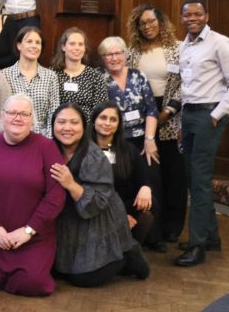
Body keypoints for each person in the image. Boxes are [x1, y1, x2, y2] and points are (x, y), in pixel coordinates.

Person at [0, 94, 65, 296]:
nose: (17, 118)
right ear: (2, 116)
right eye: (12, 112)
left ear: (32, 119)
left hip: (33, 236)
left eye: (24, 114)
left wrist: (29, 230)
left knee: (33, 284)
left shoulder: (47, 147)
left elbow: (56, 195)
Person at [175, 0, 229, 267]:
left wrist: (217, 114)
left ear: (207, 16)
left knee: (201, 180)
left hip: (209, 115)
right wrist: (183, 122)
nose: (192, 18)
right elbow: (187, 87)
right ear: (182, 18)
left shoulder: (220, 42)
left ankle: (197, 245)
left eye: (197, 14)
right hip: (190, 114)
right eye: (187, 14)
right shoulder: (184, 46)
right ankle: (211, 237)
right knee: (194, 177)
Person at [49, 104, 150, 287]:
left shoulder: (93, 155)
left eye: (74, 122)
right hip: (67, 221)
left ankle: (128, 254)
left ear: (83, 126)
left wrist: (71, 184)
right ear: (53, 124)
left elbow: (98, 201)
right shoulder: (49, 148)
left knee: (84, 278)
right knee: (59, 271)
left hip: (98, 217)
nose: (67, 128)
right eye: (61, 122)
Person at [100, 35, 166, 252]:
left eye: (118, 52)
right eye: (108, 54)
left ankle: (153, 236)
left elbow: (151, 110)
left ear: (125, 55)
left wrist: (149, 140)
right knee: (118, 184)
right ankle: (122, 232)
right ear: (103, 58)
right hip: (113, 142)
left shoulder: (138, 76)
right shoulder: (99, 79)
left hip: (141, 140)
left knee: (151, 183)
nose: (114, 57)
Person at [126, 4, 185, 243]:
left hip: (172, 115)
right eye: (142, 24)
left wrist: (168, 110)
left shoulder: (178, 49)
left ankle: (173, 226)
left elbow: (186, 84)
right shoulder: (133, 52)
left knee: (175, 172)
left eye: (151, 21)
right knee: (151, 174)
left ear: (161, 21)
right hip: (142, 116)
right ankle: (155, 227)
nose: (147, 26)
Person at [91, 102, 154, 245]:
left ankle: (129, 250)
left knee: (148, 206)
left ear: (118, 124)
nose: (107, 123)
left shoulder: (128, 150)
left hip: (124, 204)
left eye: (113, 119)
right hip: (96, 207)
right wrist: (118, 215)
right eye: (103, 118)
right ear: (94, 120)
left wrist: (146, 187)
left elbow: (143, 178)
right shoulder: (84, 150)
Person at [3, 26, 59, 137]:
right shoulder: (4, 75)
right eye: (29, 41)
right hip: (12, 136)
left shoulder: (51, 76)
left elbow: (53, 112)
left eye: (38, 43)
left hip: (41, 138)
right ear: (19, 45)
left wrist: (48, 141)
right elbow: (2, 111)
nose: (34, 46)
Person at [51, 27, 109, 120]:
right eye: (72, 44)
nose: (77, 48)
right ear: (63, 47)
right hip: (59, 127)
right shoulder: (52, 74)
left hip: (87, 128)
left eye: (80, 44)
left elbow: (101, 109)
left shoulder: (94, 76)